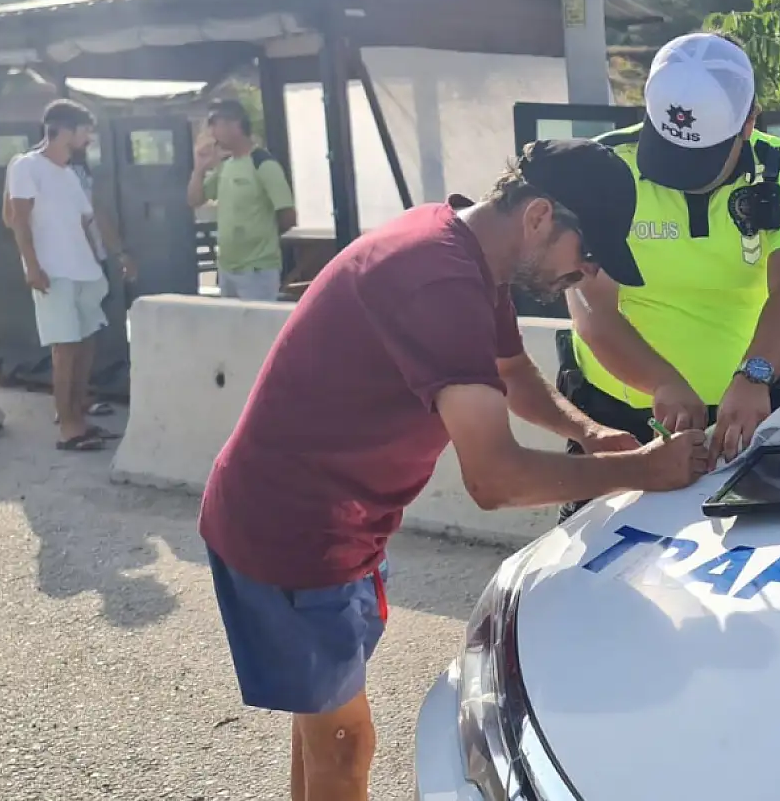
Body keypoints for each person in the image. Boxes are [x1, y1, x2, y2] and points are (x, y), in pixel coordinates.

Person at [198, 139, 711, 801]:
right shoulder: (438, 279)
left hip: (339, 520)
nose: (586, 275)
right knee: (345, 743)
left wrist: (588, 434)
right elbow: (493, 480)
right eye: (586, 255)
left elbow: (512, 374)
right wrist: (642, 470)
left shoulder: (466, 251)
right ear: (539, 217)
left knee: (323, 730)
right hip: (295, 530)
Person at [559, 31, 780, 519]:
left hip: (740, 414)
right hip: (618, 418)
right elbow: (593, 311)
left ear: (748, 122)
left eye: (699, 157)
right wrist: (661, 381)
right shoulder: (598, 166)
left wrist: (756, 375)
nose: (678, 175)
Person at [5, 100, 122, 451]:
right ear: (65, 130)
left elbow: (86, 222)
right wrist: (32, 266)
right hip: (53, 272)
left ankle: (80, 418)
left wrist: (103, 261)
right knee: (65, 347)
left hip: (84, 271)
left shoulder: (70, 173)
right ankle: (68, 428)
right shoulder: (26, 166)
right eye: (85, 130)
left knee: (86, 344)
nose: (88, 138)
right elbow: (17, 219)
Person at [187, 99, 296, 301]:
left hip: (257, 269)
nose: (211, 132)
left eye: (214, 124)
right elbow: (194, 200)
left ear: (234, 124)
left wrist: (262, 236)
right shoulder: (225, 165)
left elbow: (287, 214)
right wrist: (200, 168)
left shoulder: (263, 163)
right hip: (227, 268)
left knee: (258, 329)